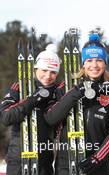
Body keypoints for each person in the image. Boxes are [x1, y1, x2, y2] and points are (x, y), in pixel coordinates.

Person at [45, 33, 109, 175]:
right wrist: (76, 92)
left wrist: (97, 158)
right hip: (66, 165)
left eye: (99, 60)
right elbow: (51, 118)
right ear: (83, 63)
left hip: (97, 165)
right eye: (89, 60)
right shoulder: (66, 87)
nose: (94, 65)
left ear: (105, 63)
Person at [0, 44, 63, 175]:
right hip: (18, 161)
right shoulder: (20, 88)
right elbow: (6, 117)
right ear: (35, 69)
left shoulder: (58, 92)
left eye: (53, 72)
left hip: (44, 162)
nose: (48, 76)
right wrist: (34, 98)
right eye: (44, 70)